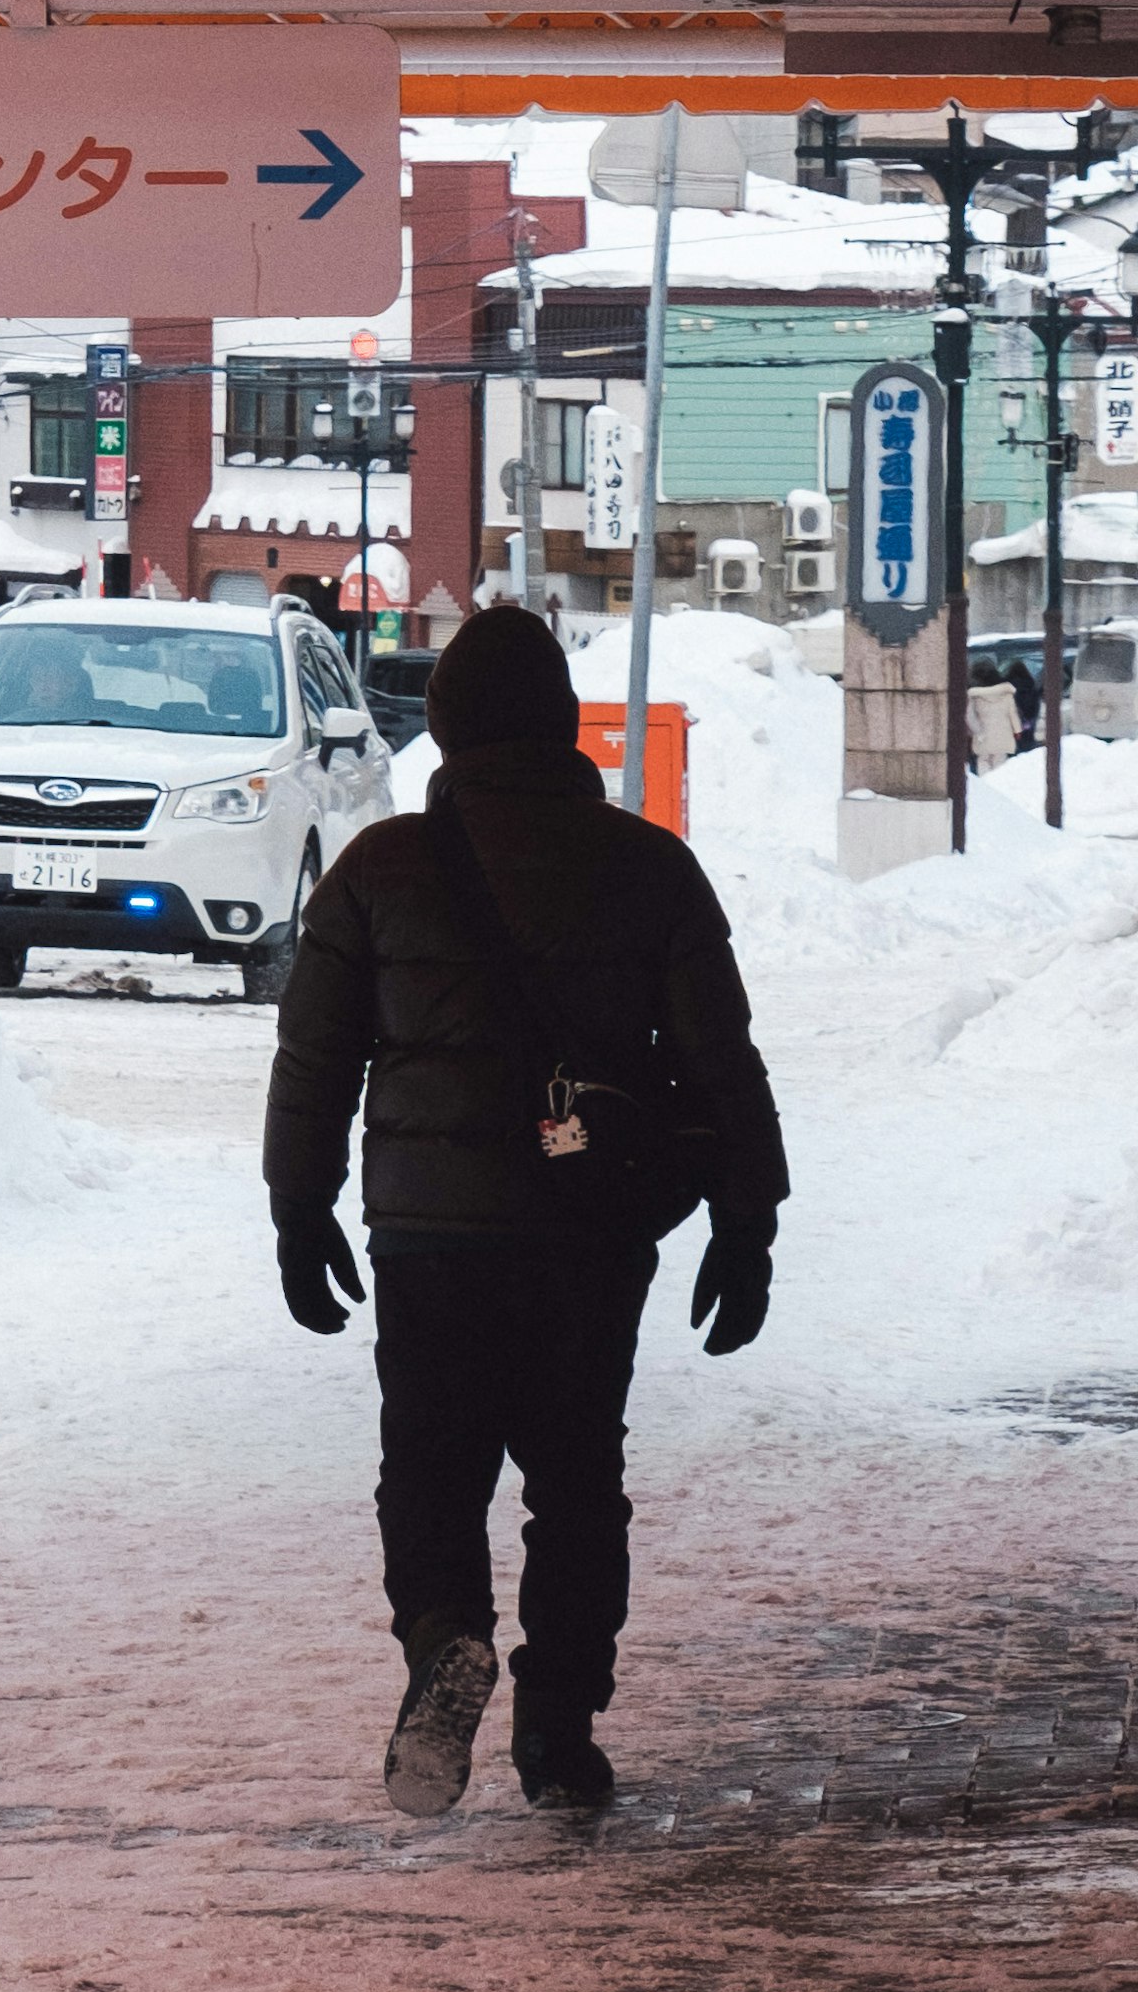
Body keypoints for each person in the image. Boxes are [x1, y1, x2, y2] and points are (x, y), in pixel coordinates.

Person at [263, 595, 787, 1822]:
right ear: (563, 727)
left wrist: (301, 1209)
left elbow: (313, 1057)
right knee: (576, 1482)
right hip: (590, 1232)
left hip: (432, 1237)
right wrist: (745, 1224)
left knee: (431, 1471)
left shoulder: (379, 869)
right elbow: (724, 1062)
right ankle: (558, 1729)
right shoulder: (650, 866)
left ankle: (447, 1638)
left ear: (441, 726)